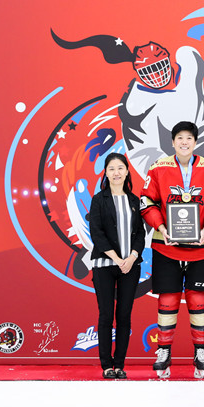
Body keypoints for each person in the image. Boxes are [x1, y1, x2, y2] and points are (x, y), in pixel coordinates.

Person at [140, 121, 204, 379]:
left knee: (198, 301)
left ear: (195, 142)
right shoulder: (158, 167)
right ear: (172, 141)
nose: (184, 142)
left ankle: (201, 352)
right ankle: (163, 352)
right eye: (179, 137)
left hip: (202, 248)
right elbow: (147, 201)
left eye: (189, 138)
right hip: (166, 247)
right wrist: (161, 226)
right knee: (167, 300)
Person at [88, 153, 145, 379]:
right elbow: (97, 233)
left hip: (130, 266)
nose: (116, 173)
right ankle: (107, 365)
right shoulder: (98, 200)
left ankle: (119, 364)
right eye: (111, 169)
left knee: (124, 315)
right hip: (104, 264)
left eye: (120, 168)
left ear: (127, 171)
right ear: (106, 172)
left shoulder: (134, 200)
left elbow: (140, 234)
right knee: (106, 314)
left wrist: (131, 257)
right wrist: (117, 259)